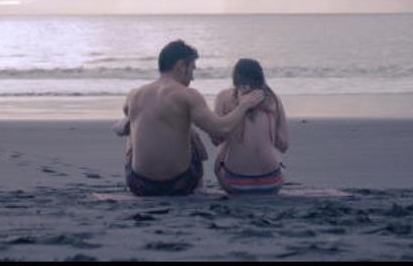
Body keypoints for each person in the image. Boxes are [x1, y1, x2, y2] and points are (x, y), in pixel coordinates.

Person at [119, 40, 264, 196]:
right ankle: (199, 187)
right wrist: (243, 105)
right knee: (189, 133)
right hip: (179, 185)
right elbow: (221, 128)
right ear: (181, 67)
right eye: (192, 69)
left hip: (139, 185)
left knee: (133, 129)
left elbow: (126, 117)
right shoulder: (188, 95)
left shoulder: (134, 94)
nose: (192, 78)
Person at [212, 58, 289, 194]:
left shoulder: (224, 97)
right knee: (273, 151)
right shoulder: (274, 99)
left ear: (235, 79)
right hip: (272, 182)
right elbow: (283, 146)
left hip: (235, 183)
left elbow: (216, 139)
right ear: (261, 78)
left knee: (223, 147)